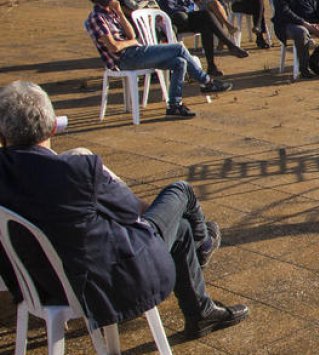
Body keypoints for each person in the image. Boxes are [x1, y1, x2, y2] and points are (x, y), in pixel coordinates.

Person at [0, 81, 249, 340]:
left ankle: (201, 311)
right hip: (103, 285)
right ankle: (204, 243)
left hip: (38, 284)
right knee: (181, 191)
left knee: (182, 228)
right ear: (53, 126)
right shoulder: (77, 173)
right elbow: (131, 213)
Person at [84, 0, 232, 119]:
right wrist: (133, 42)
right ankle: (207, 82)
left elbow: (131, 33)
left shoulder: (112, 13)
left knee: (179, 62)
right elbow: (114, 47)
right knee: (178, 48)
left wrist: (120, 13)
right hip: (124, 59)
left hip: (134, 52)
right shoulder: (97, 18)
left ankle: (174, 105)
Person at [149, 0, 248, 78]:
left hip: (188, 17)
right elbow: (164, 9)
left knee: (206, 21)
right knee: (183, 16)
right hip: (173, 21)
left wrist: (185, 8)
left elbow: (191, 4)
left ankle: (212, 65)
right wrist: (182, 9)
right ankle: (230, 45)